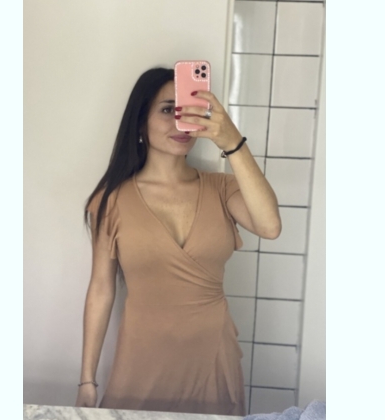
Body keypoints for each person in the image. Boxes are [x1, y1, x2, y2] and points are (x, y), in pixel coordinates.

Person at [75, 67, 281, 416]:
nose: (181, 122)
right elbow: (101, 290)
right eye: (168, 109)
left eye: (189, 109)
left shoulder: (222, 189)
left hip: (212, 359)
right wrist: (87, 380)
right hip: (140, 361)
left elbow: (270, 226)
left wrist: (232, 142)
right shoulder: (111, 201)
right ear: (140, 123)